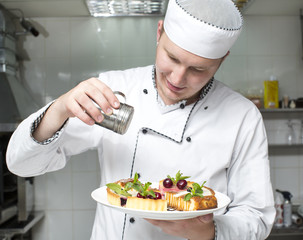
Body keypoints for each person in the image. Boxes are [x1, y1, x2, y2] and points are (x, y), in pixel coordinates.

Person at [6, 0, 275, 239]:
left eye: (198, 69)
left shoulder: (242, 116)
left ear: (222, 60)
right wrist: (60, 108)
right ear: (159, 33)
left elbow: (257, 217)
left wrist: (209, 232)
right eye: (172, 58)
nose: (177, 79)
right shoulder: (113, 89)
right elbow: (21, 164)